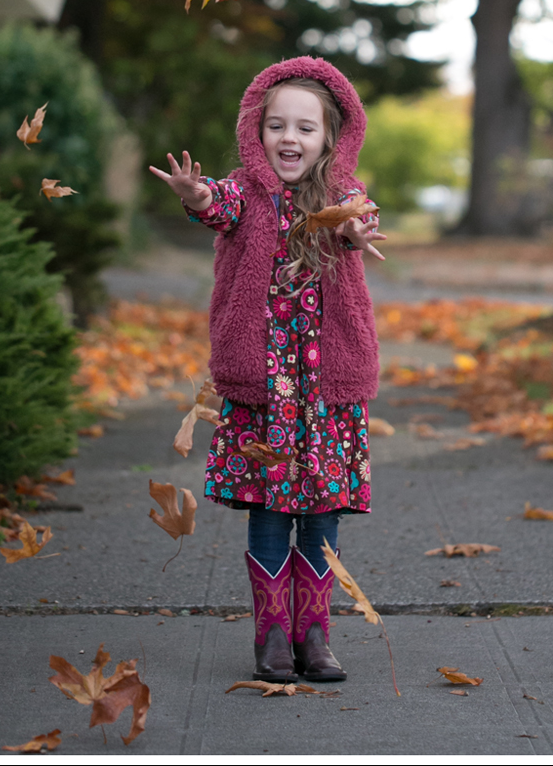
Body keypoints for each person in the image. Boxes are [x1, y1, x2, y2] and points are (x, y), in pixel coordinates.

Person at [150, 57, 384, 683]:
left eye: (305, 128)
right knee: (271, 510)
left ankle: (316, 635)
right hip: (266, 389)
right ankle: (272, 637)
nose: (290, 138)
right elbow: (213, 205)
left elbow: (362, 218)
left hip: (325, 390)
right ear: (256, 133)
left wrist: (358, 230)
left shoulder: (343, 198)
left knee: (322, 512)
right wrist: (195, 195)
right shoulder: (243, 196)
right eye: (276, 125)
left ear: (332, 137)